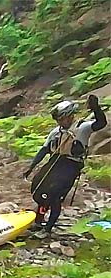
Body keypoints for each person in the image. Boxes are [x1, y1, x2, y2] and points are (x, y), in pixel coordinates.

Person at [23, 94, 107, 234]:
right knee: (39, 189)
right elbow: (44, 150)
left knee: (55, 196)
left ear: (70, 116)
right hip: (56, 162)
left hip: (71, 165)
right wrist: (31, 167)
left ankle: (48, 228)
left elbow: (101, 123)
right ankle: (39, 220)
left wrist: (96, 108)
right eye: (59, 120)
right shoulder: (56, 132)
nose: (60, 122)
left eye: (63, 119)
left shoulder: (82, 128)